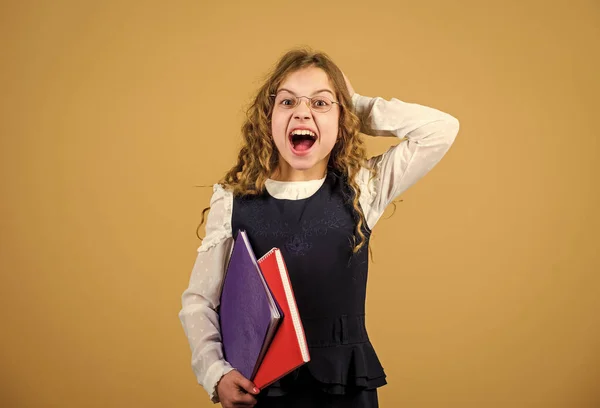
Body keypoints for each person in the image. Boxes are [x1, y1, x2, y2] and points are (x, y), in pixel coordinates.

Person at [178, 48, 460, 408]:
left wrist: (356, 105)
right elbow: (199, 300)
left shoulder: (364, 187)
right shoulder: (232, 201)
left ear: (342, 121)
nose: (302, 111)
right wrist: (215, 373)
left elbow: (440, 129)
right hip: (262, 388)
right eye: (287, 101)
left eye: (321, 103)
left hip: (346, 388)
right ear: (267, 118)